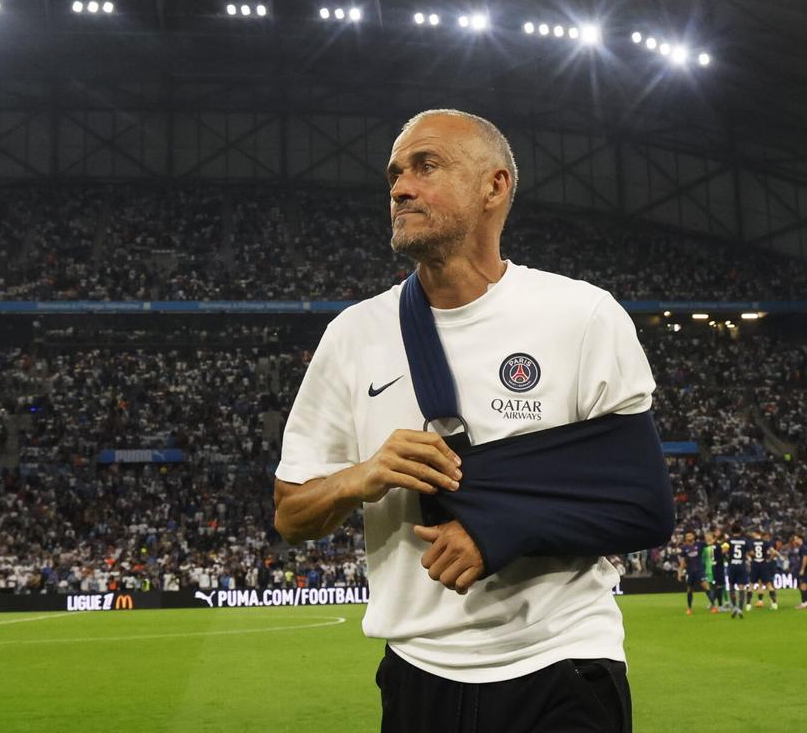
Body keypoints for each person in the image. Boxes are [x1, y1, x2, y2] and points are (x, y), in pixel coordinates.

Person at [273, 109, 662, 733]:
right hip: (419, 672)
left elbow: (642, 506)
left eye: (426, 166)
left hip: (563, 659)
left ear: (495, 186)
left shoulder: (582, 315)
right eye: (395, 173)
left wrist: (497, 528)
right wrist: (361, 476)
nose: (400, 187)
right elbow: (291, 515)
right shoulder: (352, 336)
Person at [678, 530, 713, 614]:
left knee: (707, 587)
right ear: (685, 538)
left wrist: (711, 536)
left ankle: (713, 606)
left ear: (693, 536)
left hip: (699, 571)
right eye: (687, 536)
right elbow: (682, 563)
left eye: (690, 535)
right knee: (689, 590)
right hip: (690, 572)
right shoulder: (684, 548)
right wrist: (680, 573)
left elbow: (710, 543)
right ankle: (689, 608)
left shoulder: (699, 544)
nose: (689, 537)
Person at [724, 524, 751, 618]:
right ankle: (740, 608)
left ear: (732, 531)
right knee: (741, 587)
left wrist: (728, 557)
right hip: (742, 565)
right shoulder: (745, 540)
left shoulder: (728, 540)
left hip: (732, 565)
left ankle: (734, 606)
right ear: (740, 531)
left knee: (731, 586)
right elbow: (750, 553)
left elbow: (723, 551)